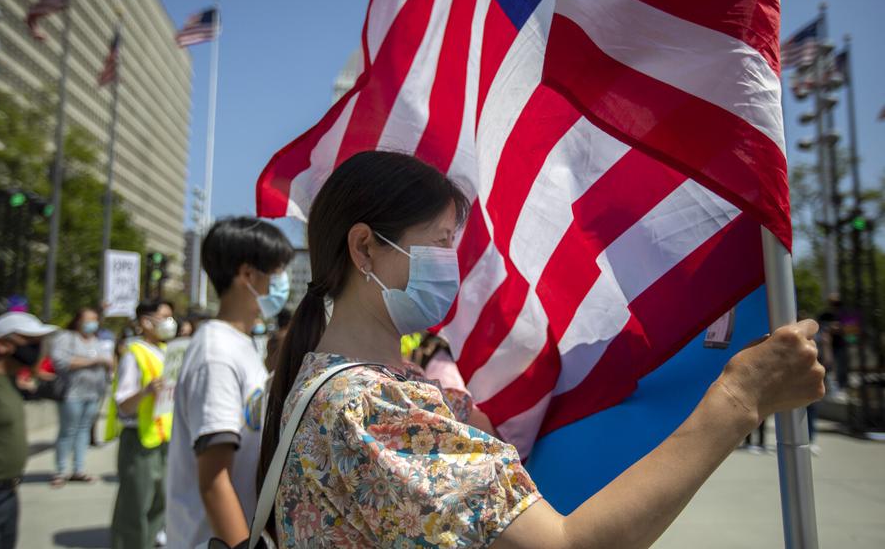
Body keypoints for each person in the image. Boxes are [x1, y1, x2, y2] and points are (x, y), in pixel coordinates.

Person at [253, 151, 825, 548]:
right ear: (365, 249)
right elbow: (567, 546)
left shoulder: (346, 388)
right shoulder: (369, 410)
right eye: (441, 241)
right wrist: (739, 398)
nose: (452, 260)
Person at [167, 217, 293, 548]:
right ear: (248, 275)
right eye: (277, 272)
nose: (283, 283)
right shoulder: (216, 354)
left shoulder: (240, 342)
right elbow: (214, 479)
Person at [0, 312, 58, 549]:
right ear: (2, 345)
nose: (37, 349)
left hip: (6, 493)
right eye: (30, 343)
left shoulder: (8, 381)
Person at [110, 300, 176, 549]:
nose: (171, 322)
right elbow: (123, 405)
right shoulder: (133, 354)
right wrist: (147, 392)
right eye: (165, 316)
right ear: (146, 322)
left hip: (161, 438)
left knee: (158, 503)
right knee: (135, 505)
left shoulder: (165, 351)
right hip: (138, 439)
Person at [49, 307, 113, 486]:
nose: (92, 323)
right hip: (71, 393)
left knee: (84, 430)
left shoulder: (98, 341)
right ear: (78, 321)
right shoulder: (66, 338)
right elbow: (60, 361)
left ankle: (79, 469)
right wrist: (93, 361)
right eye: (88, 319)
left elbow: (108, 361)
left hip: (93, 393)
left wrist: (107, 364)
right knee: (68, 431)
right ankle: (60, 471)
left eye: (95, 319)